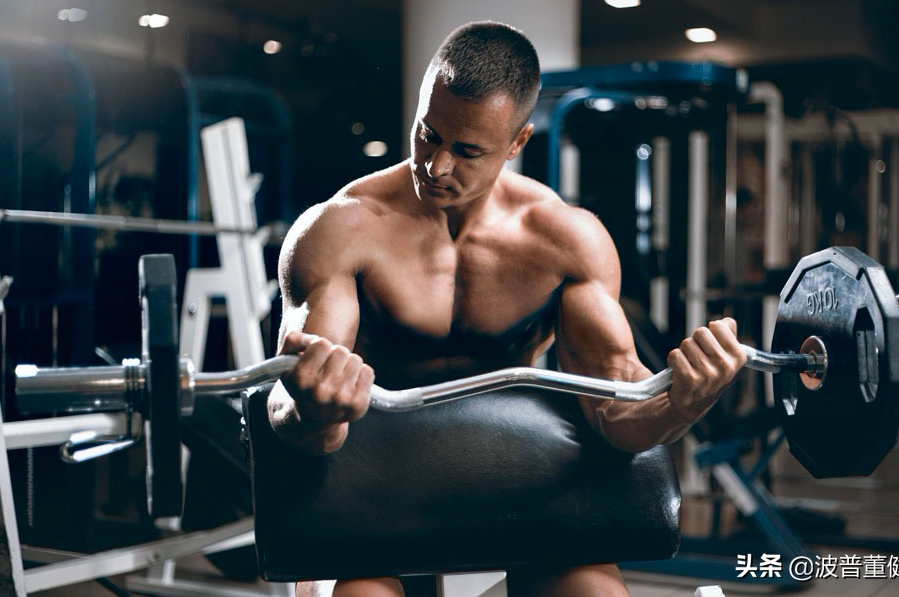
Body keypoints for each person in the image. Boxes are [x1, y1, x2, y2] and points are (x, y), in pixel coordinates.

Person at [267, 21, 746, 597]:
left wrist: (683, 406)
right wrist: (314, 409)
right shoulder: (341, 229)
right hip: (372, 480)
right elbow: (286, 405)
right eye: (428, 134)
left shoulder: (564, 241)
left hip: (514, 477)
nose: (436, 166)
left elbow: (616, 414)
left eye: (467, 150)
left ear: (517, 142)